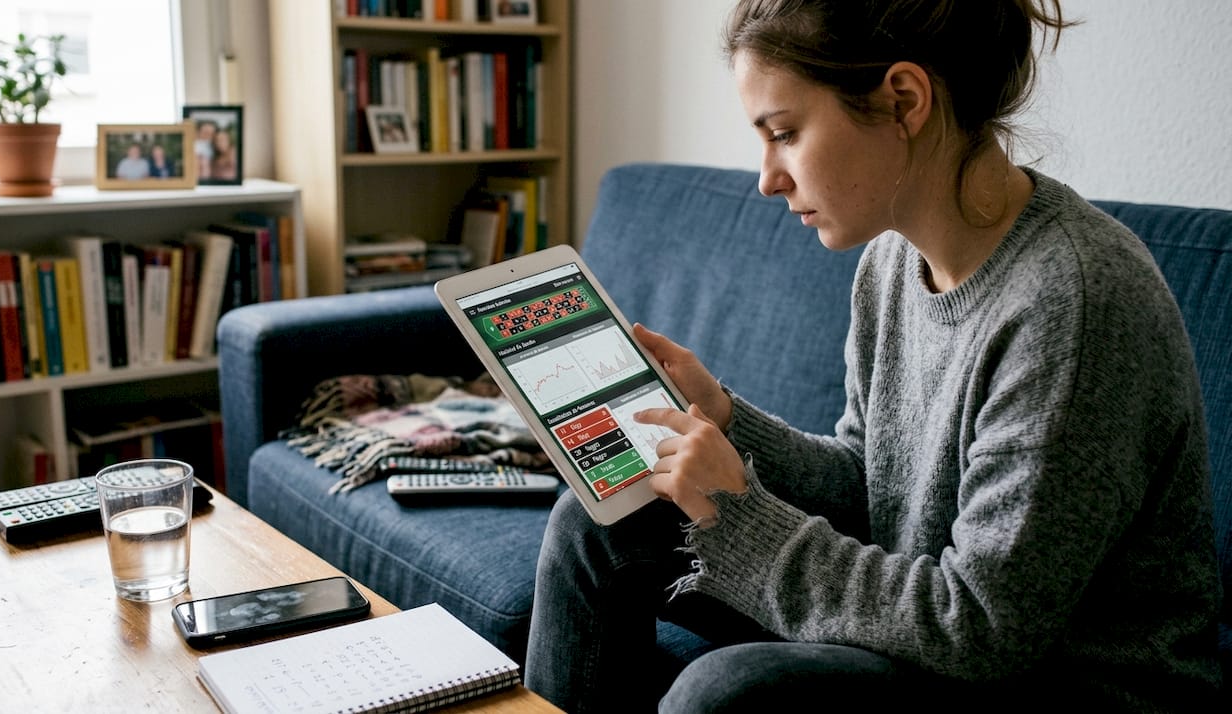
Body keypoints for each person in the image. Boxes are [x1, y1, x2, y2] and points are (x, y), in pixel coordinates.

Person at [523, 1, 1222, 712]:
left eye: (786, 134)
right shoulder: (892, 261)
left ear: (904, 100)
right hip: (938, 630)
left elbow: (982, 629)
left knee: (725, 693)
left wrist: (738, 517)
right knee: (600, 524)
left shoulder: (1075, 301)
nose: (767, 177)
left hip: (1048, 681)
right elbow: (871, 484)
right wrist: (726, 420)